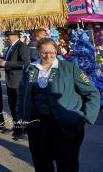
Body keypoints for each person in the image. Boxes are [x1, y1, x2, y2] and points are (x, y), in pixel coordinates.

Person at [17, 38, 100, 171]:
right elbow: (22, 94)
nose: (48, 56)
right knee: (42, 164)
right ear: (38, 52)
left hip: (65, 128)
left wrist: (85, 117)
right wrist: (21, 117)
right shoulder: (30, 68)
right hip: (37, 127)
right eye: (44, 52)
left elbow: (92, 93)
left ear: (56, 51)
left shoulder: (70, 68)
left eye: (51, 52)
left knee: (67, 165)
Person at [0, 30, 30, 137]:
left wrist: (7, 63)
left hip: (18, 81)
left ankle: (20, 129)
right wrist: (3, 61)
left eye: (8, 35)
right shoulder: (11, 46)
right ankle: (16, 127)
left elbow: (25, 63)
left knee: (18, 106)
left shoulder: (22, 46)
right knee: (12, 106)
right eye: (6, 35)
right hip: (10, 80)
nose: (7, 37)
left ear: (15, 35)